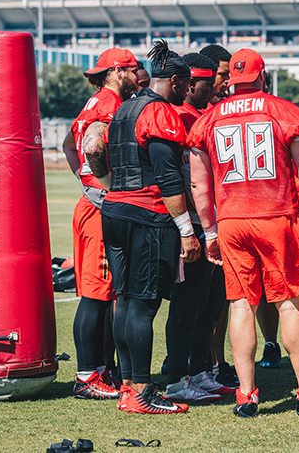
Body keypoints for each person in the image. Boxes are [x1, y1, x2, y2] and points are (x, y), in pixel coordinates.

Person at [187, 48, 299, 417]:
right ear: (262, 75)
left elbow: (199, 183)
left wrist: (209, 230)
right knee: (289, 302)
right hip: (275, 216)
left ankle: (245, 394)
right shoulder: (283, 110)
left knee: (241, 304)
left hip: (231, 221)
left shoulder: (208, 119)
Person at [88, 40, 200, 414]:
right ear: (177, 80)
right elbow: (168, 178)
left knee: (126, 301)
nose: (188, 91)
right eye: (185, 84)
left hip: (115, 210)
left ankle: (128, 387)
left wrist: (113, 188)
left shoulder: (123, 109)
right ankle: (142, 392)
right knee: (144, 305)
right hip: (146, 214)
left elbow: (97, 155)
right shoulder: (159, 112)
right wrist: (185, 229)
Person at [62, 47, 140, 400]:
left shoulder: (94, 103)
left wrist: (86, 181)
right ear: (117, 71)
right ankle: (87, 375)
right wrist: (105, 187)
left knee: (102, 293)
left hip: (91, 204)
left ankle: (99, 369)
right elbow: (92, 147)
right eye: (133, 70)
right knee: (96, 293)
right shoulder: (110, 105)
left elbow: (68, 145)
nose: (138, 76)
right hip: (99, 209)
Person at [163, 52, 235, 403]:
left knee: (210, 302)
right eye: (212, 81)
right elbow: (181, 177)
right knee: (187, 304)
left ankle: (200, 369)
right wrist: (190, 226)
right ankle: (177, 375)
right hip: (192, 223)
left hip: (213, 221)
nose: (218, 87)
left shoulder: (204, 114)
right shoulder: (179, 117)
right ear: (192, 84)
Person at [197, 44, 240, 387]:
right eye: (224, 74)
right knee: (200, 301)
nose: (227, 81)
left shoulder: (220, 110)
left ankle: (216, 361)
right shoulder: (195, 112)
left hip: (223, 215)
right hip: (201, 219)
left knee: (220, 298)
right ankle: (202, 363)